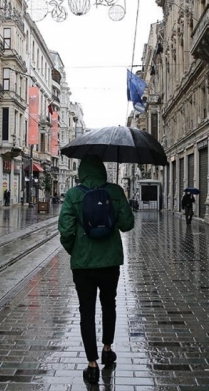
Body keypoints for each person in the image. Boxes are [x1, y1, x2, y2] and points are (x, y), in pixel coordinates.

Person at [58, 156, 135, 384]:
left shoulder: (73, 195)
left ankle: (91, 365)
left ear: (81, 172)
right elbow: (127, 224)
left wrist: (76, 250)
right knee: (109, 304)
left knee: (86, 311)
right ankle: (107, 349)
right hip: (110, 261)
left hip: (83, 264)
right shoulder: (115, 191)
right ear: (102, 170)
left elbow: (65, 230)